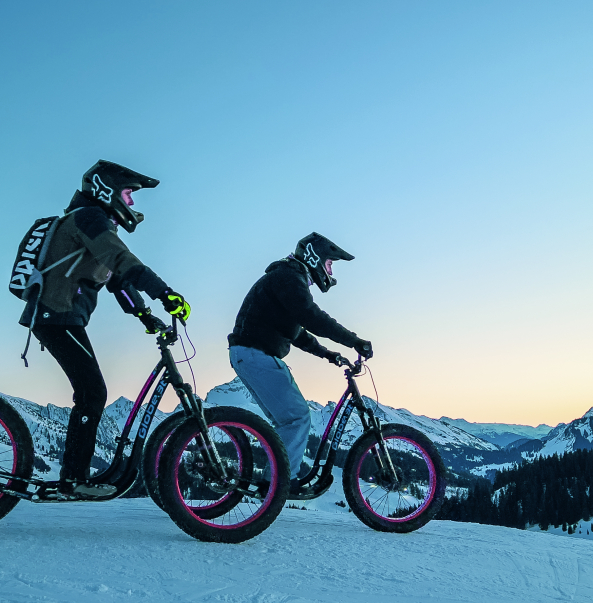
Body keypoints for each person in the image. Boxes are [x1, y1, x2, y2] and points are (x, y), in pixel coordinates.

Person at [20, 160, 191, 498]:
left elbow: (117, 281)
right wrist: (165, 293)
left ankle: (73, 477)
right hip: (57, 316)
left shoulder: (91, 224)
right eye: (128, 194)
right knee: (93, 393)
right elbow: (122, 261)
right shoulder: (89, 218)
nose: (131, 203)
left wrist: (146, 316)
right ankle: (73, 480)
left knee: (90, 392)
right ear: (106, 190)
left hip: (60, 317)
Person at [228, 232, 372, 497]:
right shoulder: (289, 277)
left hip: (251, 353)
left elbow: (297, 333)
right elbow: (311, 316)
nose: (330, 270)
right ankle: (279, 484)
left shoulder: (287, 279)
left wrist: (330, 354)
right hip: (254, 353)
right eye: (330, 263)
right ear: (314, 256)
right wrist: (354, 340)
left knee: (288, 421)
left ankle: (272, 483)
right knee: (296, 417)